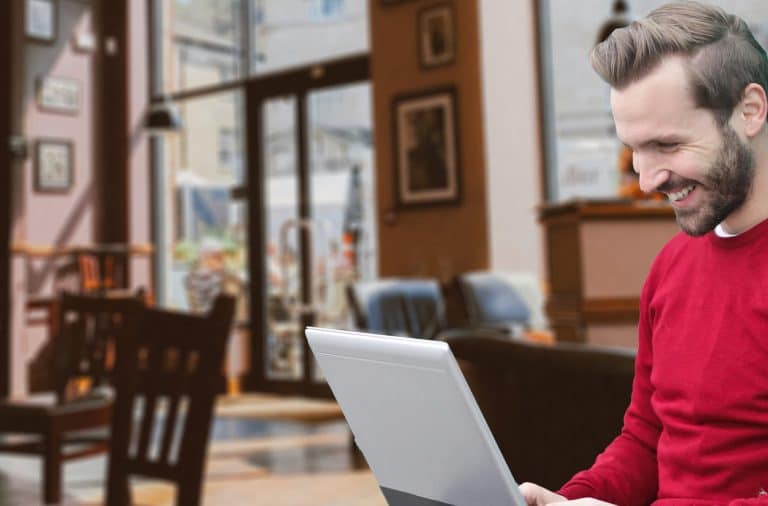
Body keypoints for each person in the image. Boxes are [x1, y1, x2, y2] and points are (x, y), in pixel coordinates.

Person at [520, 2, 768, 505]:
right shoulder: (671, 266)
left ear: (749, 111)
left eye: (668, 145)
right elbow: (646, 439)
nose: (648, 177)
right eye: (635, 149)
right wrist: (572, 499)